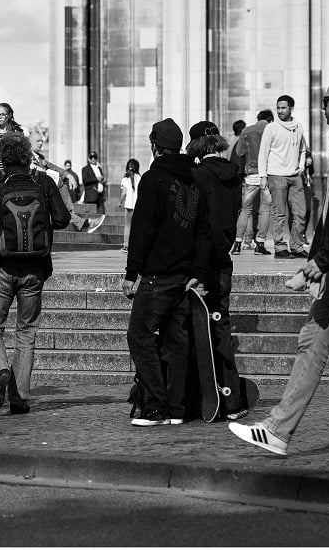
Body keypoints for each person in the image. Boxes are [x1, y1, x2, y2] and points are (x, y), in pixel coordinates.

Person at [230, 77, 329, 455]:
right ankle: (278, 430)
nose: (322, 107)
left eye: (326, 100)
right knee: (312, 340)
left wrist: (323, 262)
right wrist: (316, 261)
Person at [0, 134, 71, 415]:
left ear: (3, 155)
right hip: (35, 270)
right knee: (26, 332)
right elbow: (63, 219)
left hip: (0, 267)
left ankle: (1, 369)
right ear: (27, 155)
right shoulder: (42, 181)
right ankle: (20, 396)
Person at [123, 118, 210, 427]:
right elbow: (203, 231)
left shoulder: (153, 179)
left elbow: (142, 231)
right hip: (185, 277)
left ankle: (155, 406)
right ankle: (176, 408)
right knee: (176, 341)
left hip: (157, 276)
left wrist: (131, 273)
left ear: (155, 147)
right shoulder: (195, 179)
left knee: (139, 336)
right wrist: (198, 271)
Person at [187, 121, 248, 419]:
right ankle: (233, 398)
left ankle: (199, 394)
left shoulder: (196, 176)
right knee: (221, 326)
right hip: (224, 260)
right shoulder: (233, 176)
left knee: (196, 329)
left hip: (200, 262)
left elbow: (195, 221)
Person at [258, 94, 310, 258]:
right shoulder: (271, 128)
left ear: (291, 109)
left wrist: (301, 167)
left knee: (300, 213)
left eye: (283, 108)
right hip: (276, 175)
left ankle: (296, 245)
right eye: (278, 108)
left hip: (295, 176)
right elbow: (263, 153)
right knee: (279, 213)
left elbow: (303, 149)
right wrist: (263, 176)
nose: (280, 111)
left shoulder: (298, 126)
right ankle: (280, 248)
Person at [232, 110, 273, 255]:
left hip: (252, 173)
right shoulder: (271, 129)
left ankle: (237, 243)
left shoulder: (246, 131)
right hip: (267, 173)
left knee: (246, 209)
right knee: (265, 209)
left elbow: (239, 152)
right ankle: (260, 244)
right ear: (270, 119)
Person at [120, 159, 142, 252]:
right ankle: (137, 245)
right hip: (137, 205)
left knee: (127, 226)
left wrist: (120, 202)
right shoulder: (140, 178)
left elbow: (124, 192)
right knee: (137, 226)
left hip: (128, 205)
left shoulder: (125, 179)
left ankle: (126, 245)